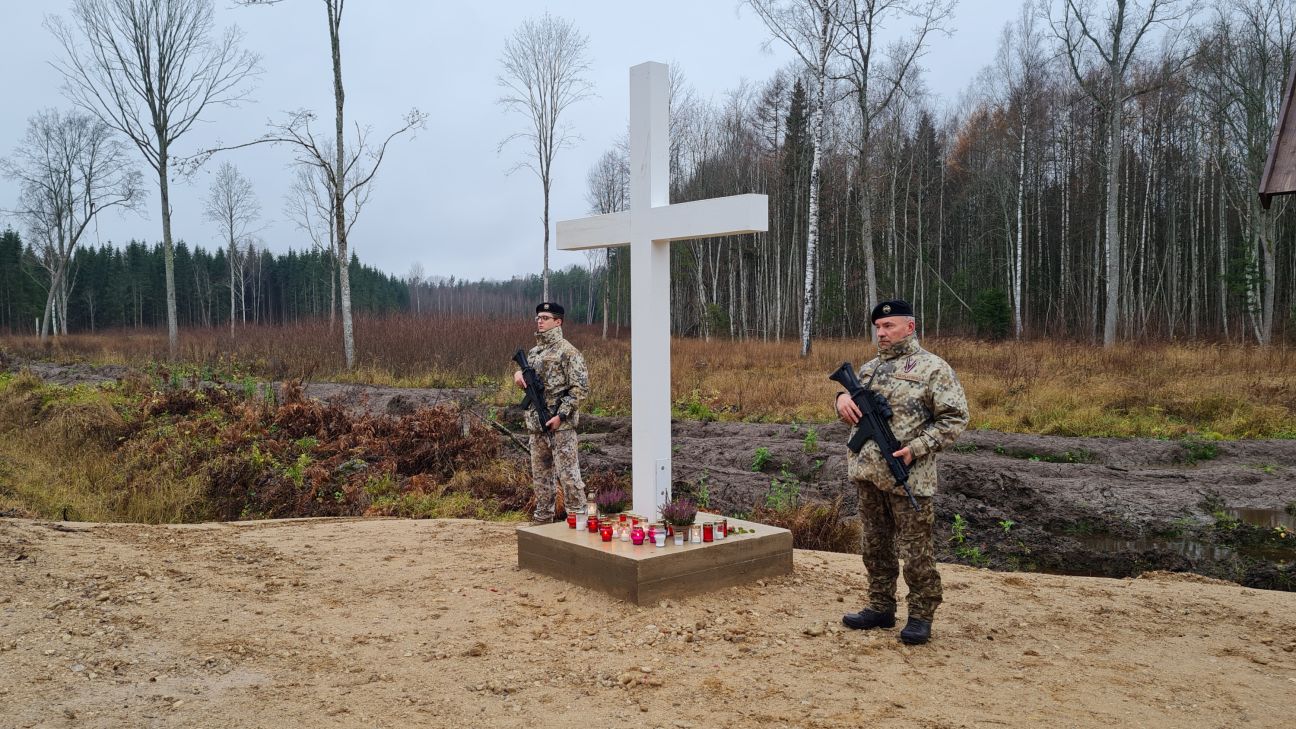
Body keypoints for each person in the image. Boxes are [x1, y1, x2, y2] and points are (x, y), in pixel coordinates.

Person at [834, 299, 969, 645]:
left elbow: (955, 418)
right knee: (875, 546)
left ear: (909, 327)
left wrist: (917, 449)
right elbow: (852, 402)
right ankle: (880, 606)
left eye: (889, 326)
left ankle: (921, 614)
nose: (882, 333)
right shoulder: (868, 370)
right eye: (878, 327)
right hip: (867, 475)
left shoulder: (933, 369)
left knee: (916, 552)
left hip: (909, 477)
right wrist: (840, 399)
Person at [514, 302, 590, 524]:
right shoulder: (534, 352)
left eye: (545, 317)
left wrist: (561, 415)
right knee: (541, 479)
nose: (540, 321)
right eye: (538, 317)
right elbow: (529, 382)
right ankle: (542, 522)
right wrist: (518, 374)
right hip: (537, 427)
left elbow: (580, 389)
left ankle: (578, 522)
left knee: (569, 479)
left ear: (558, 322)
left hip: (560, 427)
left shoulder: (569, 352)